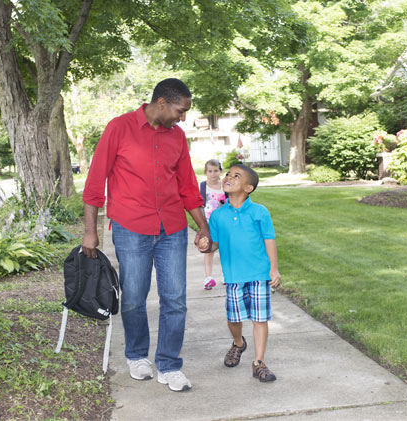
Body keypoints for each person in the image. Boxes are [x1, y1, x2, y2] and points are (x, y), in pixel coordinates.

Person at [81, 78, 211, 392]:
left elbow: (188, 189)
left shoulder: (178, 138)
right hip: (131, 228)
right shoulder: (119, 128)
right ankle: (137, 355)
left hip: (172, 229)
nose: (183, 118)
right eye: (181, 111)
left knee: (175, 300)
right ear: (162, 103)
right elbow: (96, 182)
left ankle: (169, 364)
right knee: (134, 298)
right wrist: (90, 233)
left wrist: (203, 227)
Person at [203, 164, 281, 382]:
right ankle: (238, 343)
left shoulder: (259, 212)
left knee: (260, 318)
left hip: (258, 274)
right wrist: (205, 246)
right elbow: (214, 244)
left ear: (248, 188)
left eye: (236, 176)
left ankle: (259, 362)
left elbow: (269, 239)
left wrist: (273, 269)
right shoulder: (218, 215)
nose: (228, 177)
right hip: (233, 276)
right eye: (228, 174)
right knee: (233, 318)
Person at [199, 159, 227, 290]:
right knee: (209, 250)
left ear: (221, 171)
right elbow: (200, 205)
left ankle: (226, 275)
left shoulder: (225, 186)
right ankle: (208, 278)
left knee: (225, 250)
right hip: (209, 224)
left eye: (216, 171)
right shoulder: (204, 186)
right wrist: (202, 224)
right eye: (210, 171)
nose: (213, 174)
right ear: (205, 172)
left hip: (224, 224)